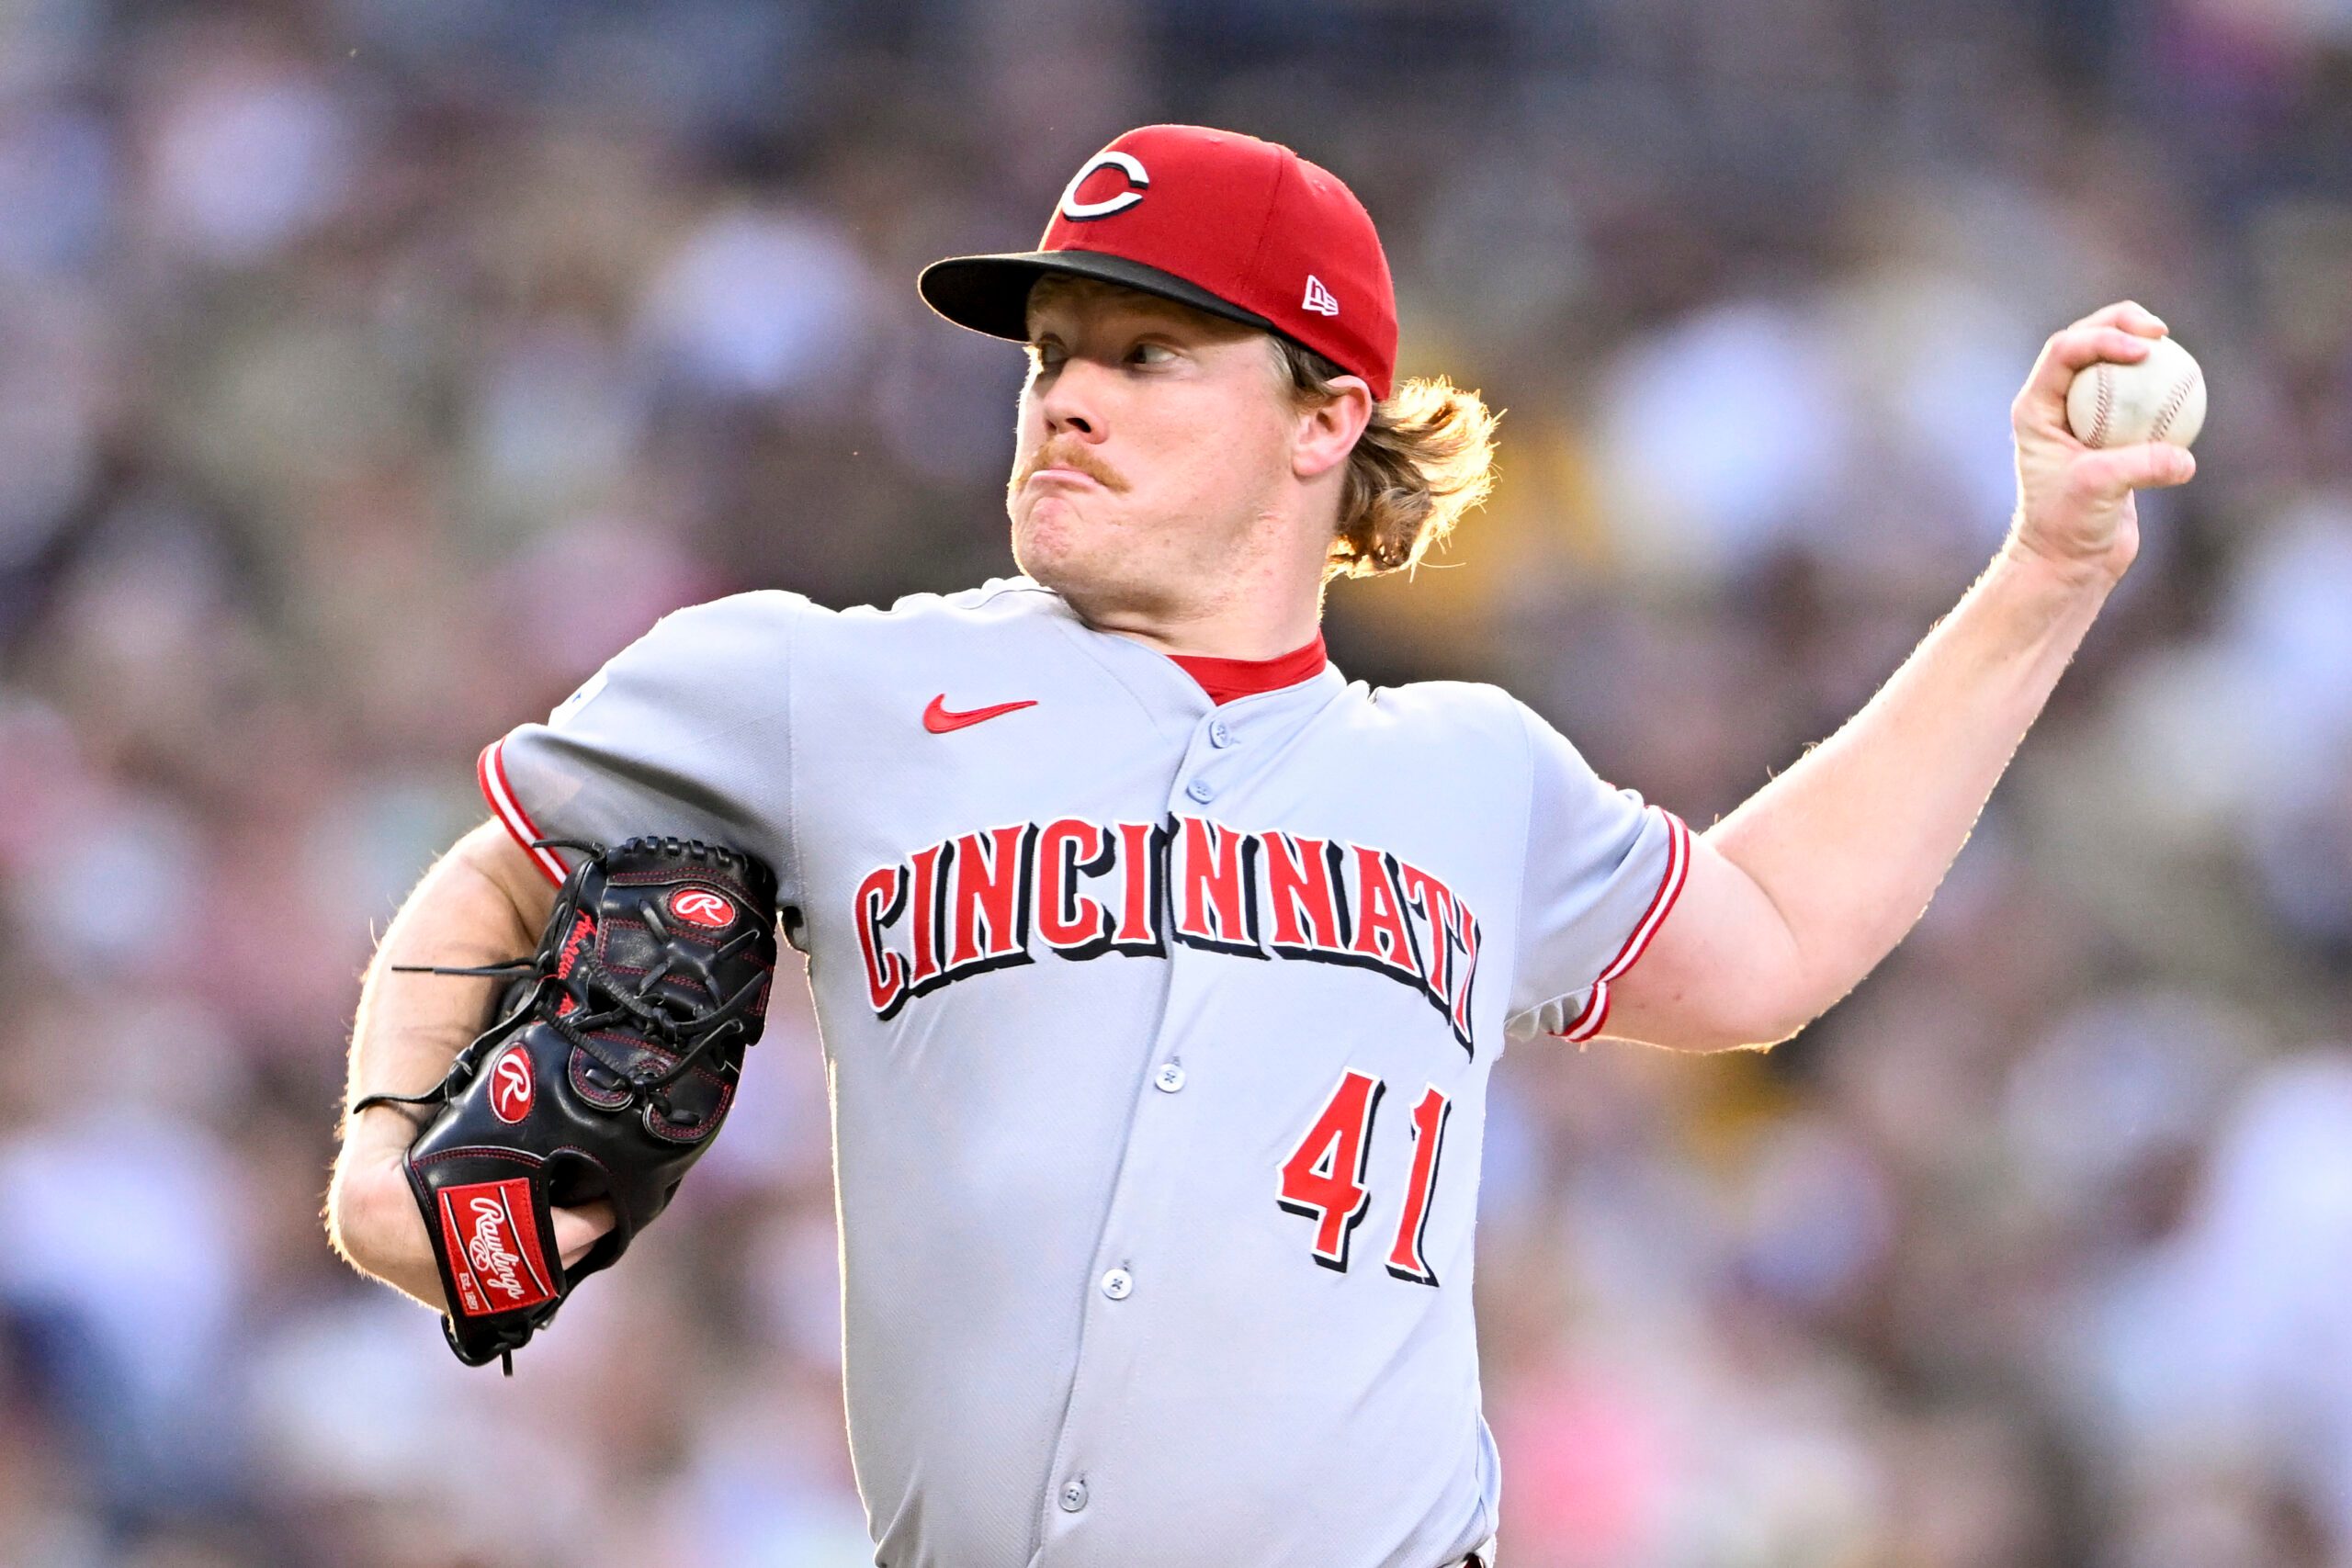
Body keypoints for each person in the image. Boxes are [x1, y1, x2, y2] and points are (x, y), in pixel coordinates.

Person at [326, 124, 2196, 1568]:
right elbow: (499, 857)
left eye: (1145, 352)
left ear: (1326, 414)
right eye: (1048, 348)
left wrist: (2042, 571)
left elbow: (1773, 929)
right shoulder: (819, 687)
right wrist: (383, 1169)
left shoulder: (1470, 770)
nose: (1063, 391)